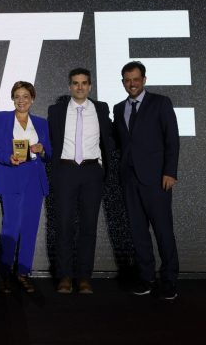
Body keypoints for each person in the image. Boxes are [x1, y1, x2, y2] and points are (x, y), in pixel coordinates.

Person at [113, 61, 180, 300]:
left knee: (163, 231)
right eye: (127, 80)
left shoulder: (160, 103)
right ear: (123, 82)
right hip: (129, 179)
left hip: (156, 179)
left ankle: (169, 280)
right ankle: (146, 277)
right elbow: (120, 142)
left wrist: (170, 172)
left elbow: (172, 139)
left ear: (144, 80)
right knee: (138, 232)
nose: (132, 83)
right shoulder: (118, 108)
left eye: (136, 79)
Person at [47, 68, 113, 294]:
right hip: (65, 171)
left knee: (88, 226)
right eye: (75, 83)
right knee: (64, 225)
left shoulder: (101, 109)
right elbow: (50, 140)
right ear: (69, 86)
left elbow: (109, 138)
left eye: (84, 83)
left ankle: (84, 277)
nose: (80, 87)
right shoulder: (56, 110)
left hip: (92, 172)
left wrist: (102, 166)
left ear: (90, 86)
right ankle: (65, 276)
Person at [0, 81, 51, 293]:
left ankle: (23, 273)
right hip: (11, 176)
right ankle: (4, 274)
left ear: (32, 99)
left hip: (34, 179)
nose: (21, 100)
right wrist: (8, 157)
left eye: (25, 96)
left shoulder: (41, 122)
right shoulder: (1, 118)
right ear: (12, 99)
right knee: (11, 228)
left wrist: (42, 149)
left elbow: (49, 153)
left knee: (30, 229)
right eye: (17, 96)